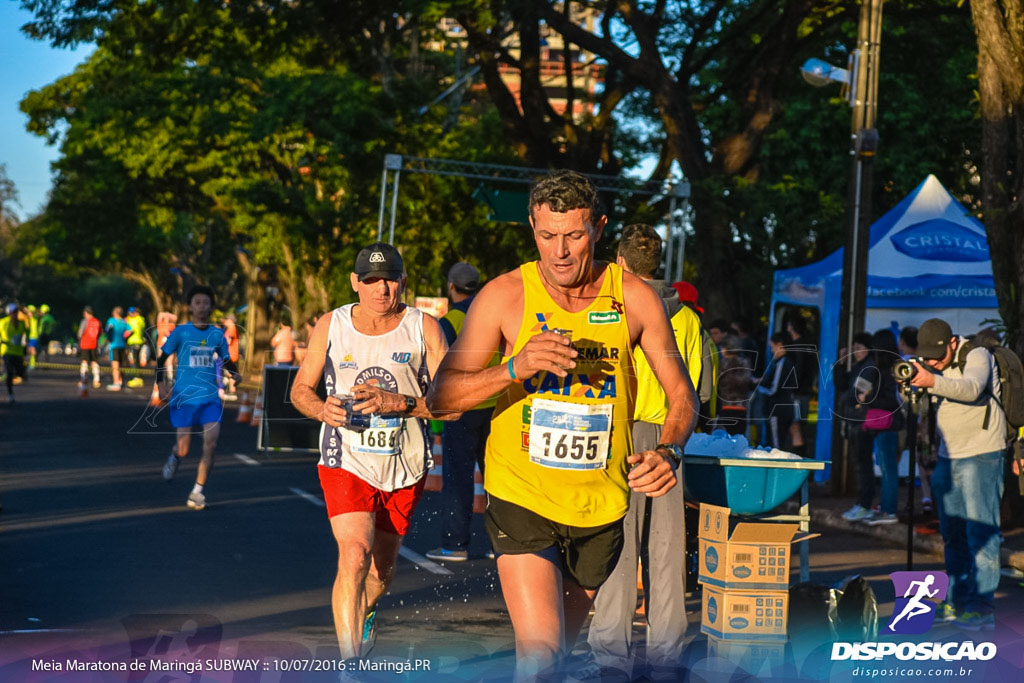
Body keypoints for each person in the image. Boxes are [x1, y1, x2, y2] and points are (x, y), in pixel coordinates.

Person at [425, 170, 697, 679]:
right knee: (541, 654)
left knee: (557, 658)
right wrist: (514, 367)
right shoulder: (505, 296)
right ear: (532, 228)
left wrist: (669, 451)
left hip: (600, 504)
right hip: (521, 494)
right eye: (548, 236)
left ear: (597, 227)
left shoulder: (634, 298)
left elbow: (682, 393)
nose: (561, 251)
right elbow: (442, 397)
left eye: (574, 235)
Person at [290, 242, 456, 660]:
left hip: (405, 462)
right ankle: (350, 663)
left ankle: (364, 611)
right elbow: (299, 390)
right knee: (354, 553)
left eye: (389, 280)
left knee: (381, 571)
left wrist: (401, 403)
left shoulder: (425, 328)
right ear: (355, 283)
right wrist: (319, 408)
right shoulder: (332, 324)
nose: (380, 290)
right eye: (370, 281)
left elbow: (452, 404)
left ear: (402, 281)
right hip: (347, 459)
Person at [587, 224, 702, 680]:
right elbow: (697, 391)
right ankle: (666, 654)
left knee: (619, 545)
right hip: (672, 438)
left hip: (621, 436)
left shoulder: (612, 310)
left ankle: (612, 653)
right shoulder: (689, 320)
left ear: (619, 263)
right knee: (668, 548)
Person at [909, 318, 1008, 630]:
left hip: (982, 454)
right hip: (947, 459)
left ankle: (982, 608)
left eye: (938, 356)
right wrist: (910, 389)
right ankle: (956, 599)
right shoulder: (931, 364)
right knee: (952, 536)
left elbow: (972, 388)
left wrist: (931, 381)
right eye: (928, 358)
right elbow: (921, 408)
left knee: (981, 535)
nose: (934, 363)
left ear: (952, 343)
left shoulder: (977, 355)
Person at [426, 262, 500, 563]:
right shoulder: (491, 312)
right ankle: (505, 545)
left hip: (462, 406)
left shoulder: (452, 319)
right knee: (498, 479)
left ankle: (454, 544)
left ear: (451, 288)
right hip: (496, 403)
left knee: (458, 476)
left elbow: (439, 366)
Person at [157, 286, 241, 511]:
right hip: (184, 397)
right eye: (198, 302)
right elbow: (161, 357)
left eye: (206, 302)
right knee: (184, 448)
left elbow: (225, 359)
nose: (202, 306)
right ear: (191, 306)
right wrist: (161, 384)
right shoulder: (181, 332)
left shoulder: (216, 334)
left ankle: (197, 491)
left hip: (210, 399)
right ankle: (175, 456)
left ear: (211, 306)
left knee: (210, 444)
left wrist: (234, 373)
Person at [852, 329, 904, 525]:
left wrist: (869, 399)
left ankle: (888, 510)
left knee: (888, 468)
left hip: (889, 424)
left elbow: (892, 399)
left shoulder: (889, 369)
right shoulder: (884, 367)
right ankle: (885, 508)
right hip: (886, 424)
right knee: (886, 467)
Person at [834, 331, 875, 521]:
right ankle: (861, 503)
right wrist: (841, 362)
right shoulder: (860, 366)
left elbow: (855, 393)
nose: (856, 351)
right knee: (860, 464)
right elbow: (842, 384)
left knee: (863, 464)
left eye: (859, 348)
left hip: (862, 421)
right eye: (854, 348)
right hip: (855, 419)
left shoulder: (869, 368)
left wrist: (847, 399)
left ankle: (865, 504)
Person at [899, 326, 935, 516]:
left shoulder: (924, 365)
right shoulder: (922, 363)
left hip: (923, 422)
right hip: (920, 421)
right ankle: (927, 498)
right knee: (924, 460)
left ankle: (928, 498)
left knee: (924, 460)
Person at [756, 332, 798, 450]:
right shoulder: (789, 361)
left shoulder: (782, 363)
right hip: (784, 407)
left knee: (776, 446)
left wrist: (758, 387)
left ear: (780, 345)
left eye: (772, 347)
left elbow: (774, 388)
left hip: (777, 409)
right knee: (781, 442)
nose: (772, 350)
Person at [786, 316, 819, 457]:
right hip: (803, 391)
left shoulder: (798, 346)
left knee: (796, 425)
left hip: (798, 392)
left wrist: (792, 387)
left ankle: (799, 456)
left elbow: (798, 369)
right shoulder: (806, 345)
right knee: (798, 424)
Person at [712, 334, 755, 435]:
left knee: (724, 439)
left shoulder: (722, 364)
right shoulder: (746, 363)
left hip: (725, 407)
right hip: (742, 407)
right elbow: (749, 382)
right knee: (739, 438)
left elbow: (716, 383)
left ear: (725, 349)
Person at [1, 303, 29, 403]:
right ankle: (10, 394)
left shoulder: (21, 324)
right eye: (13, 313)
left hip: (18, 353)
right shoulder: (3, 323)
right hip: (7, 351)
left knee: (20, 373)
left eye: (16, 313)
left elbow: (25, 337)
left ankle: (22, 372)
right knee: (9, 373)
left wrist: (25, 349)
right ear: (9, 313)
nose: (15, 315)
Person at [105, 306, 132, 390]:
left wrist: (109, 337)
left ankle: (116, 383)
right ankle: (121, 381)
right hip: (123, 345)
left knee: (115, 364)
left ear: (114, 313)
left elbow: (107, 329)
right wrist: (125, 337)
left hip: (114, 345)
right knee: (121, 364)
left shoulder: (111, 320)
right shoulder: (124, 322)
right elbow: (130, 330)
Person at [77, 306, 103, 389]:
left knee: (84, 362)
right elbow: (101, 333)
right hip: (94, 344)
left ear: (85, 313)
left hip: (85, 344)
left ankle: (83, 379)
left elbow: (80, 333)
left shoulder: (85, 321)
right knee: (94, 362)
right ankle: (96, 379)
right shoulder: (97, 321)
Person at [222, 313, 240, 399]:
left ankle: (233, 392)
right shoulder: (228, 329)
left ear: (230, 321)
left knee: (231, 373)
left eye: (226, 320)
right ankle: (229, 389)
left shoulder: (232, 328)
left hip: (232, 354)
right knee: (227, 373)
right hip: (228, 354)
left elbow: (229, 340)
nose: (225, 321)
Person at [25, 305, 39, 370]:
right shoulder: (31, 318)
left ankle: (33, 364)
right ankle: (32, 363)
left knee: (33, 350)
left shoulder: (34, 317)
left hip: (34, 336)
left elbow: (31, 313)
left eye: (28, 312)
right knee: (30, 350)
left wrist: (27, 310)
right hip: (31, 336)